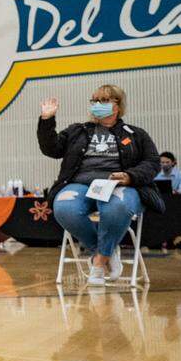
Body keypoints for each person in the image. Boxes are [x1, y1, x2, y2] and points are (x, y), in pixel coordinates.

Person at [38, 84, 163, 286]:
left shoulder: (136, 134)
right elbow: (51, 148)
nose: (97, 105)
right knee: (63, 206)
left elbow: (152, 162)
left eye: (104, 101)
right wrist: (46, 120)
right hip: (81, 184)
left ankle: (98, 264)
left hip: (120, 185)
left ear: (118, 106)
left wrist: (130, 176)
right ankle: (107, 251)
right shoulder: (77, 131)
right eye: (94, 101)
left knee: (118, 206)